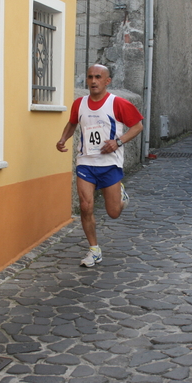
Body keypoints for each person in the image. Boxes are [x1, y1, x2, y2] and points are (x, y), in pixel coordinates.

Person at [56, 64, 144, 267]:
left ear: (107, 81)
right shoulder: (79, 104)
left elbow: (137, 125)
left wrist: (118, 142)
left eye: (98, 77)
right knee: (86, 206)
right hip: (86, 162)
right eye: (89, 77)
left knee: (113, 212)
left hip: (109, 164)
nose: (93, 81)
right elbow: (72, 123)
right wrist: (63, 139)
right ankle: (94, 250)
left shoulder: (117, 103)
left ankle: (121, 195)